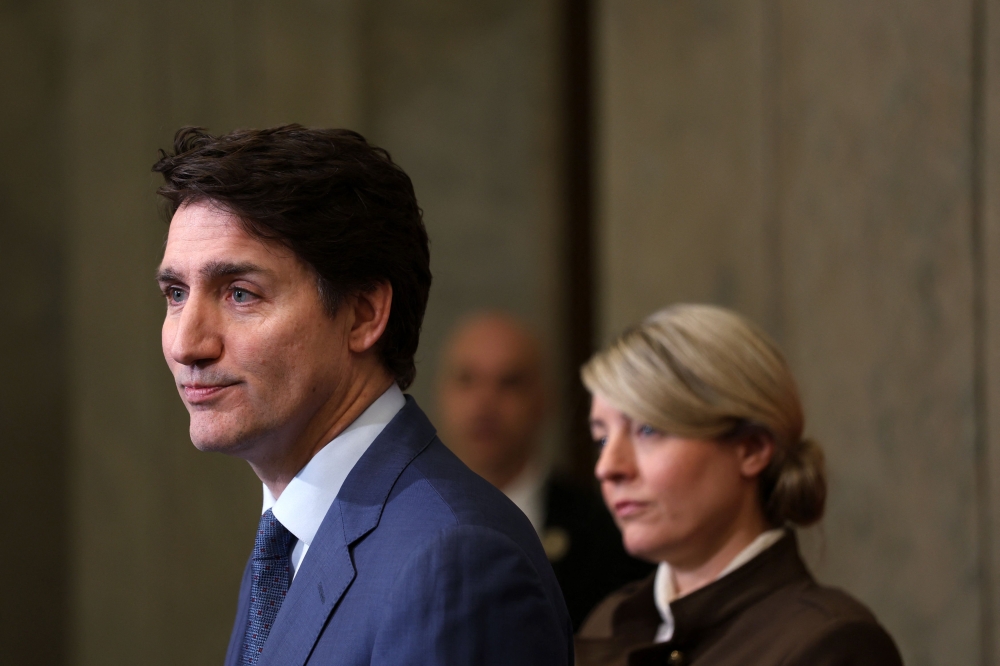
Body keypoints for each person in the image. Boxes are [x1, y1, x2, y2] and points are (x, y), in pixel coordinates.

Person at [152, 125, 573, 666]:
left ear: (363, 314)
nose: (186, 343)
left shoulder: (456, 558)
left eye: (240, 293)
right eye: (176, 293)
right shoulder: (286, 538)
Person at [574, 304, 902, 666]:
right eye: (601, 439)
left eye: (648, 430)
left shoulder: (831, 642)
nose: (607, 468)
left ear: (751, 448)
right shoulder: (608, 622)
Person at [438, 312, 653, 629]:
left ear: (544, 399)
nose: (484, 403)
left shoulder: (605, 532)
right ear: (442, 393)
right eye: (467, 380)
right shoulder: (398, 521)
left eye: (509, 383)